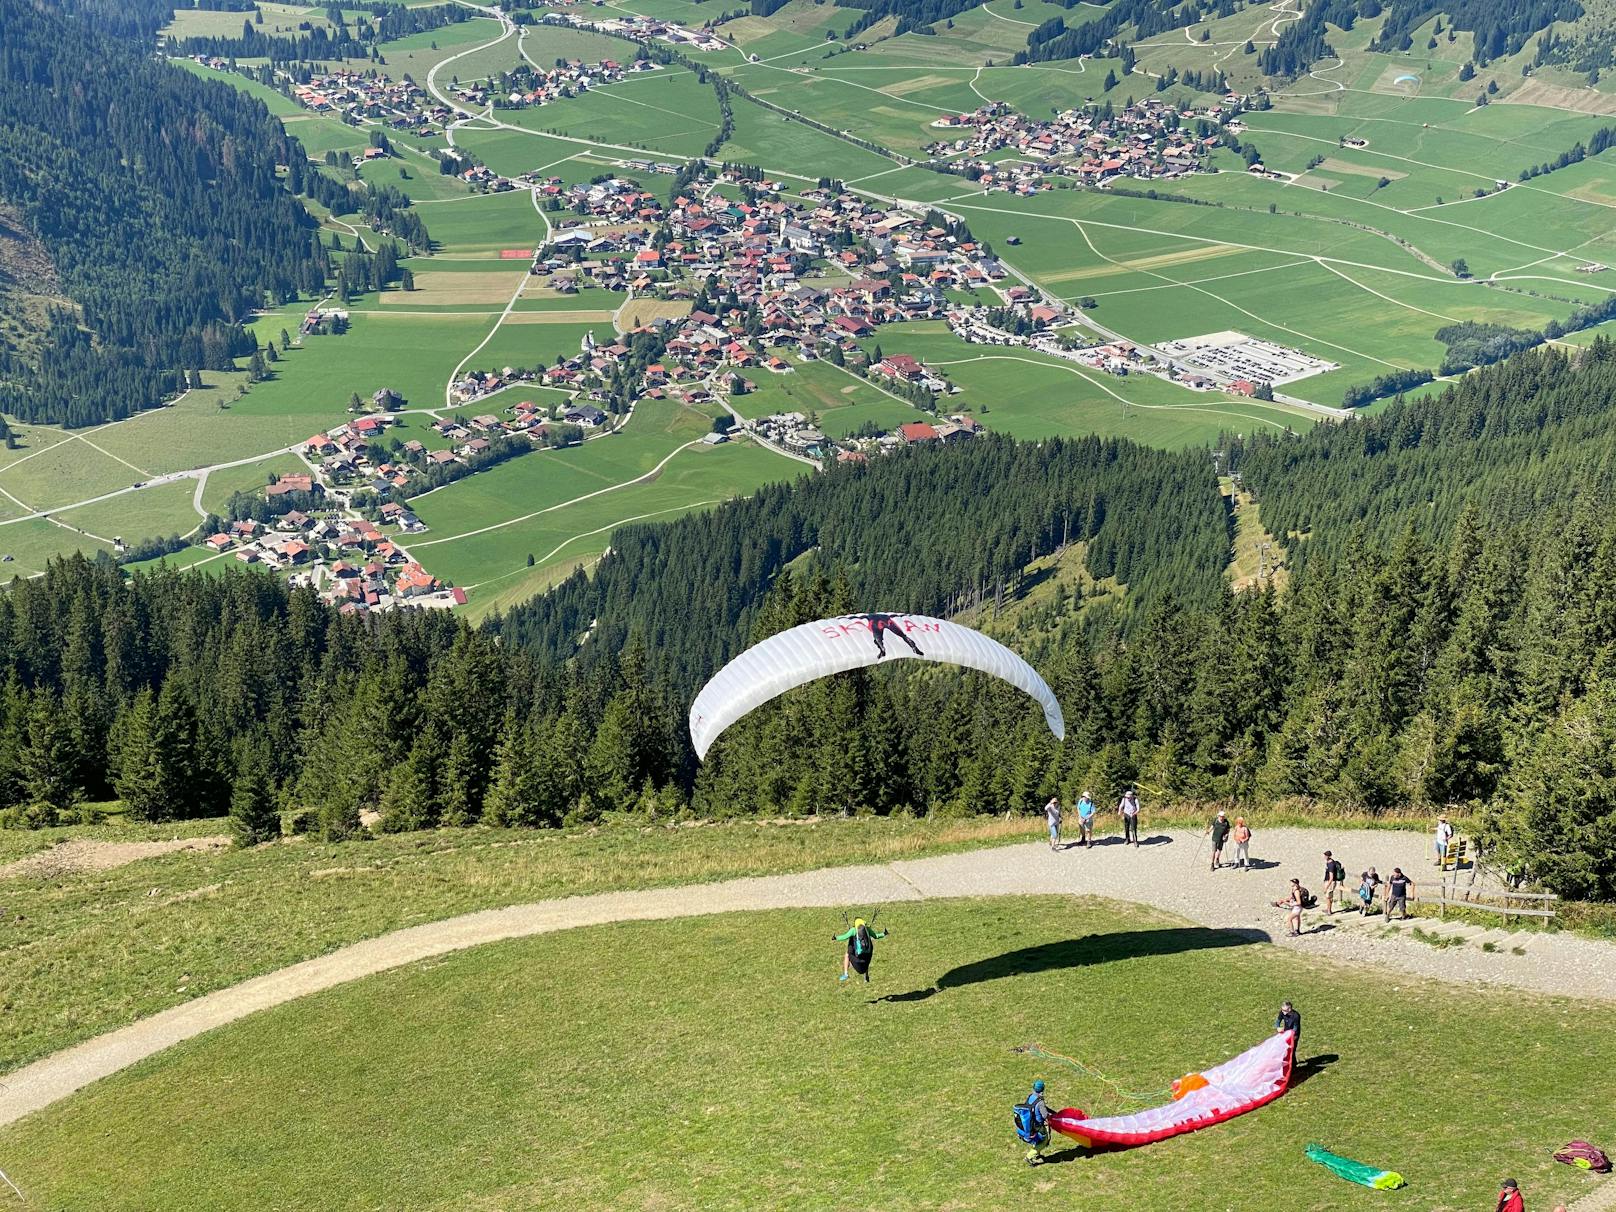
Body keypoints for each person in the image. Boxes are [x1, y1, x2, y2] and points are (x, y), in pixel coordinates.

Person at [845, 613, 922, 660]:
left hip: (875, 624)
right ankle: (914, 648)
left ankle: (882, 650)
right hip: (887, 621)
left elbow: (858, 618)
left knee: (877, 640)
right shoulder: (884, 616)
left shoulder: (868, 617)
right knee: (903, 635)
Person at [835, 918, 888, 983]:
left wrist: (836, 938)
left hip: (858, 953)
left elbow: (845, 936)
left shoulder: (853, 930)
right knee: (866, 958)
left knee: (847, 955)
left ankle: (846, 974)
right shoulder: (867, 929)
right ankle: (866, 976)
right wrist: (884, 934)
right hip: (867, 953)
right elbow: (875, 936)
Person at [1014, 1079, 1052, 1165]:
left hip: (1031, 1124)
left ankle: (1037, 1155)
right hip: (1037, 1125)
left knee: (1038, 1140)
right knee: (1044, 1141)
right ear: (1042, 1089)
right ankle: (1029, 1156)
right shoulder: (1040, 1102)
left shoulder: (1030, 1096)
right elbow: (1045, 1115)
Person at [1322, 850, 1346, 915]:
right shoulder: (1331, 862)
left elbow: (1331, 877)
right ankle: (1328, 909)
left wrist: (1326, 887)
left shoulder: (1330, 865)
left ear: (1328, 856)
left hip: (1330, 882)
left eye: (1325, 855)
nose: (1324, 856)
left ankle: (1329, 911)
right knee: (1330, 896)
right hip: (1331, 882)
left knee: (1328, 897)